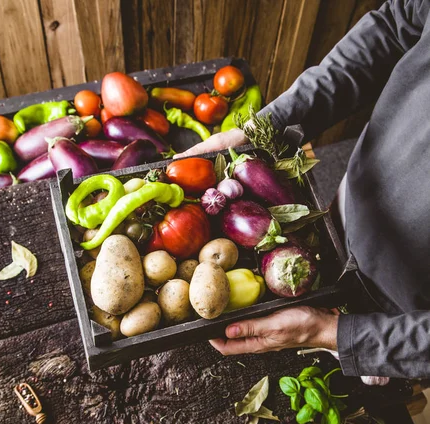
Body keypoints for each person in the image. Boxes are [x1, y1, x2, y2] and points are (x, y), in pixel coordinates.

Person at [176, 0, 430, 379]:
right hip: (347, 209)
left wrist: (338, 335)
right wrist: (265, 128)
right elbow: (399, 22)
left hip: (401, 318)